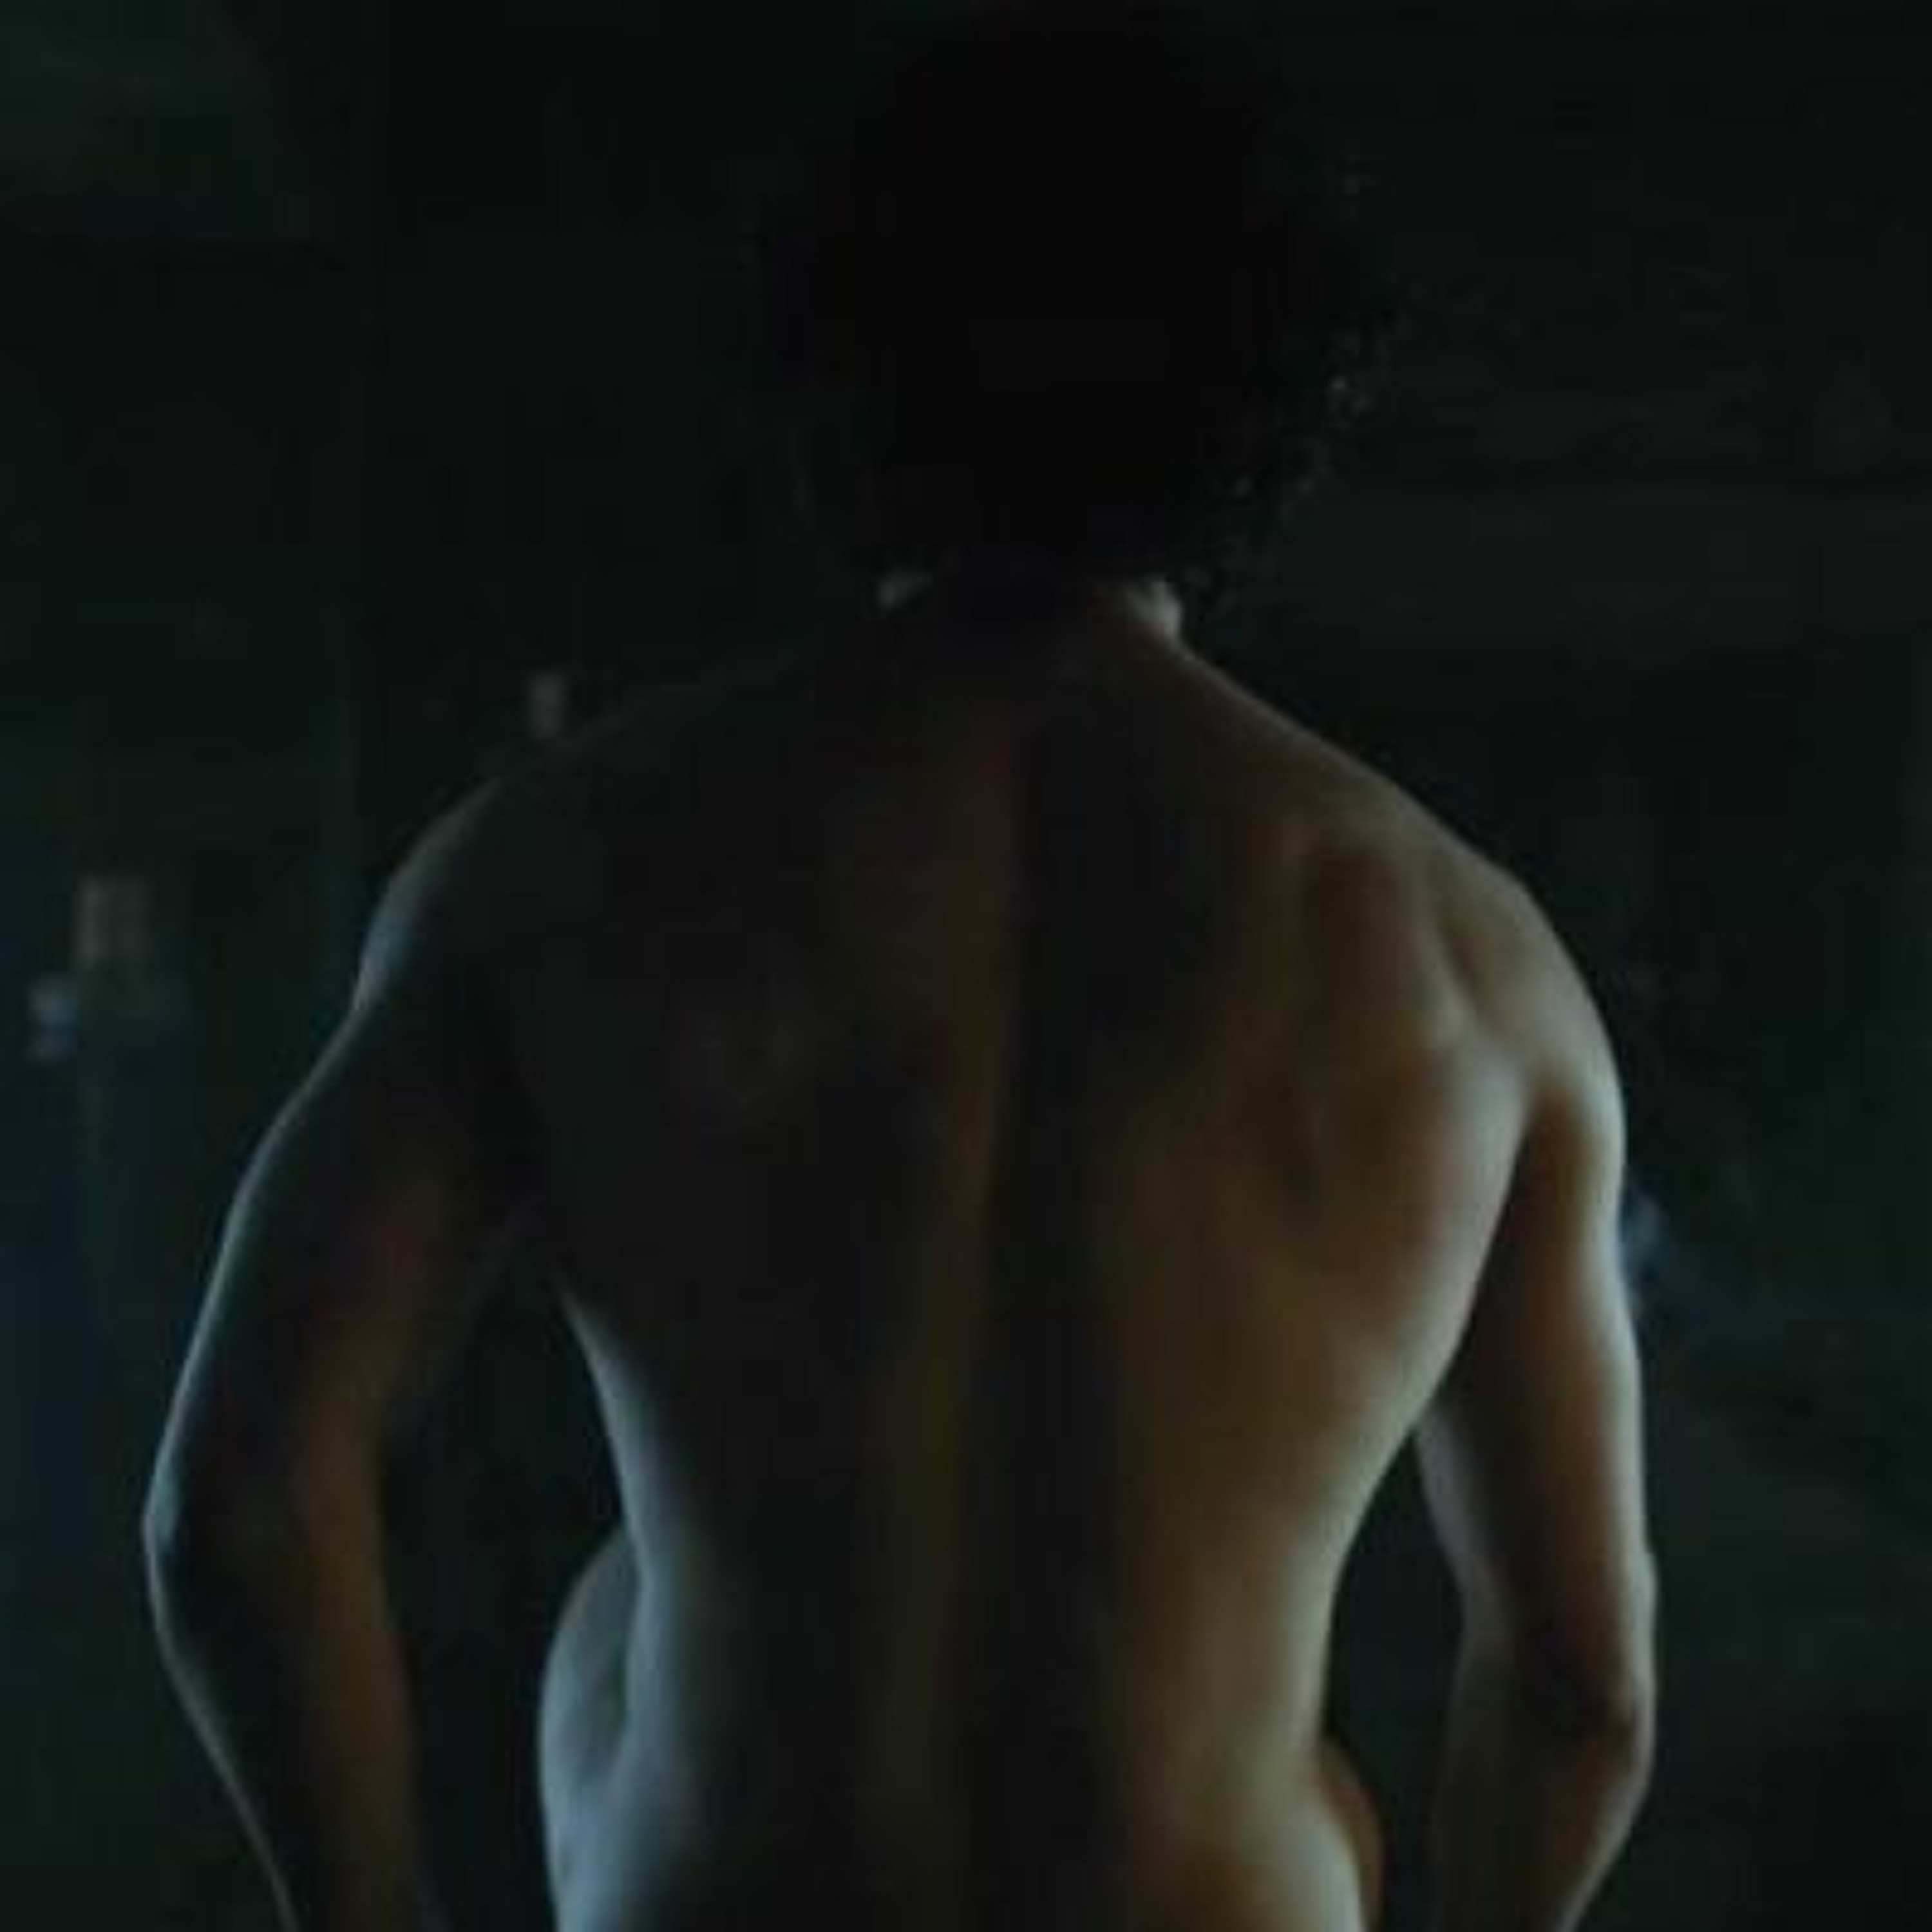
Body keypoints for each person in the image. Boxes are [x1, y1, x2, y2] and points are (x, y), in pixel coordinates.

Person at [142, 5, 1658, 1929]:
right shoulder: (1473, 969)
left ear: (841, 374)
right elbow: (1581, 1691)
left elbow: (237, 1510)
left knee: (620, 1619)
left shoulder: (559, 866)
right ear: (1268, 398)